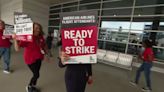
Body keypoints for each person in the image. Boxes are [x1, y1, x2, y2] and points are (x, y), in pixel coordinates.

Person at [13, 22, 49, 92]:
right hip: (30, 60)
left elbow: (44, 45)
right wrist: (15, 39)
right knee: (37, 74)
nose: (38, 30)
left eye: (39, 28)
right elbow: (17, 49)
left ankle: (33, 86)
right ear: (31, 29)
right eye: (36, 28)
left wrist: (47, 54)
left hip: (39, 58)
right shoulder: (28, 37)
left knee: (36, 73)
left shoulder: (40, 37)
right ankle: (29, 86)